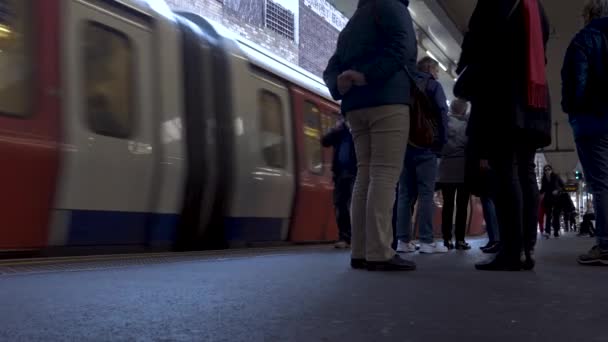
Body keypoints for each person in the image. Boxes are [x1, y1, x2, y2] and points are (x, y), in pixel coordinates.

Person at [323, 0, 417, 271]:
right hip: (387, 100)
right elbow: (405, 47)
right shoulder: (393, 7)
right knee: (384, 174)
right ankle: (380, 252)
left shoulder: (354, 21)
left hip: (355, 108)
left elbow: (332, 66)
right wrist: (368, 75)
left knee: (365, 174)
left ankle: (360, 250)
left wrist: (338, 84)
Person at [457, 0, 551, 271]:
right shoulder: (536, 6)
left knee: (504, 171)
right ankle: (526, 249)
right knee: (525, 171)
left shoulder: (493, 2)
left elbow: (475, 45)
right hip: (533, 96)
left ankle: (511, 251)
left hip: (503, 96)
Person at [561, 0, 608, 265]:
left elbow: (577, 83)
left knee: (600, 184)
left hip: (593, 121)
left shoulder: (585, 39)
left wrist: (572, 109)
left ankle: (605, 245)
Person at [395, 57, 449, 254]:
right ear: (432, 69)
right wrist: (441, 143)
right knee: (426, 194)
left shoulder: (404, 85)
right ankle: (426, 241)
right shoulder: (433, 86)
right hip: (427, 147)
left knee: (404, 195)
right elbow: (443, 114)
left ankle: (402, 241)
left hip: (404, 146)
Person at [437, 99, 472, 251]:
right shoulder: (467, 125)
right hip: (463, 168)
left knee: (448, 205)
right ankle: (460, 240)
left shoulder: (444, 124)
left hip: (446, 169)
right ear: (464, 110)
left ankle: (446, 239)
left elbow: (439, 145)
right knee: (462, 206)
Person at [322, 120, 357, 249]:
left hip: (357, 172)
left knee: (356, 205)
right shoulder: (340, 130)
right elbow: (325, 141)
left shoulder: (360, 127)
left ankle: (359, 237)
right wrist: (335, 129)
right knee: (340, 205)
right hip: (341, 173)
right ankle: (345, 237)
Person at [540, 165, 565, 238]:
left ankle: (556, 231)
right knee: (548, 215)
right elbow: (543, 189)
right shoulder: (543, 178)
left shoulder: (556, 177)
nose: (547, 171)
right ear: (544, 171)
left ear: (551, 170)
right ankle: (547, 232)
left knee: (556, 215)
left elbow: (563, 186)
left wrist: (558, 190)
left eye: (548, 169)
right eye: (545, 170)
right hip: (547, 199)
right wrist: (539, 194)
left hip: (556, 199)